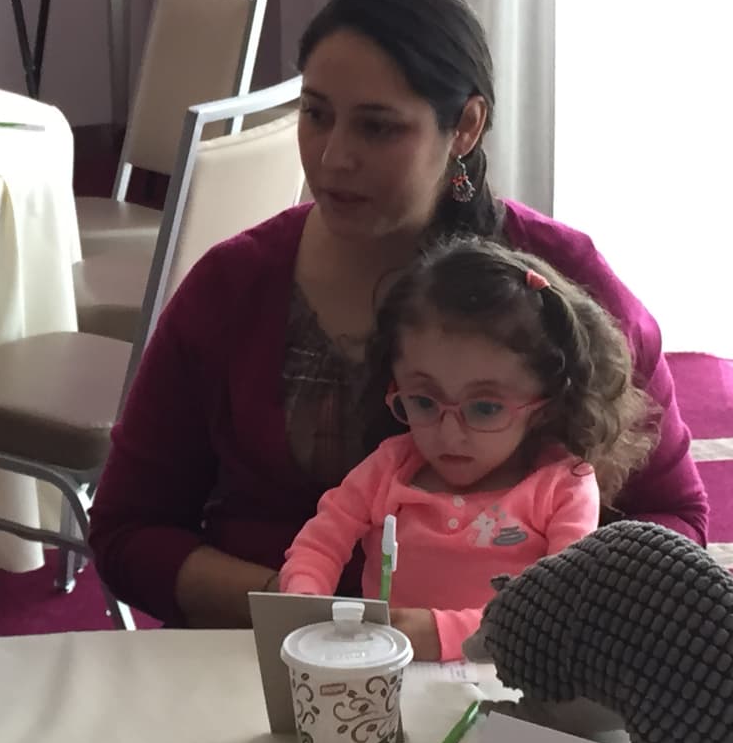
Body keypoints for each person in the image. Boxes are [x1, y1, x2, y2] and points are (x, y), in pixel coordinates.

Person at [87, 0, 708, 629]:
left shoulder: (558, 276)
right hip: (265, 659)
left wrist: (523, 624)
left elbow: (672, 520)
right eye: (315, 115)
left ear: (465, 126)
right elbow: (129, 530)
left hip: (512, 675)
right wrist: (308, 607)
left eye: (378, 129)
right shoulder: (234, 286)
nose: (331, 159)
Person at [280, 239, 656, 661]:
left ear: (545, 407)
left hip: (510, 690)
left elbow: (563, 612)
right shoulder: (390, 466)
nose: (449, 433)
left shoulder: (562, 488)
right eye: (423, 400)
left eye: (485, 407)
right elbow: (319, 545)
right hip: (383, 674)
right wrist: (304, 605)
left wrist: (444, 634)